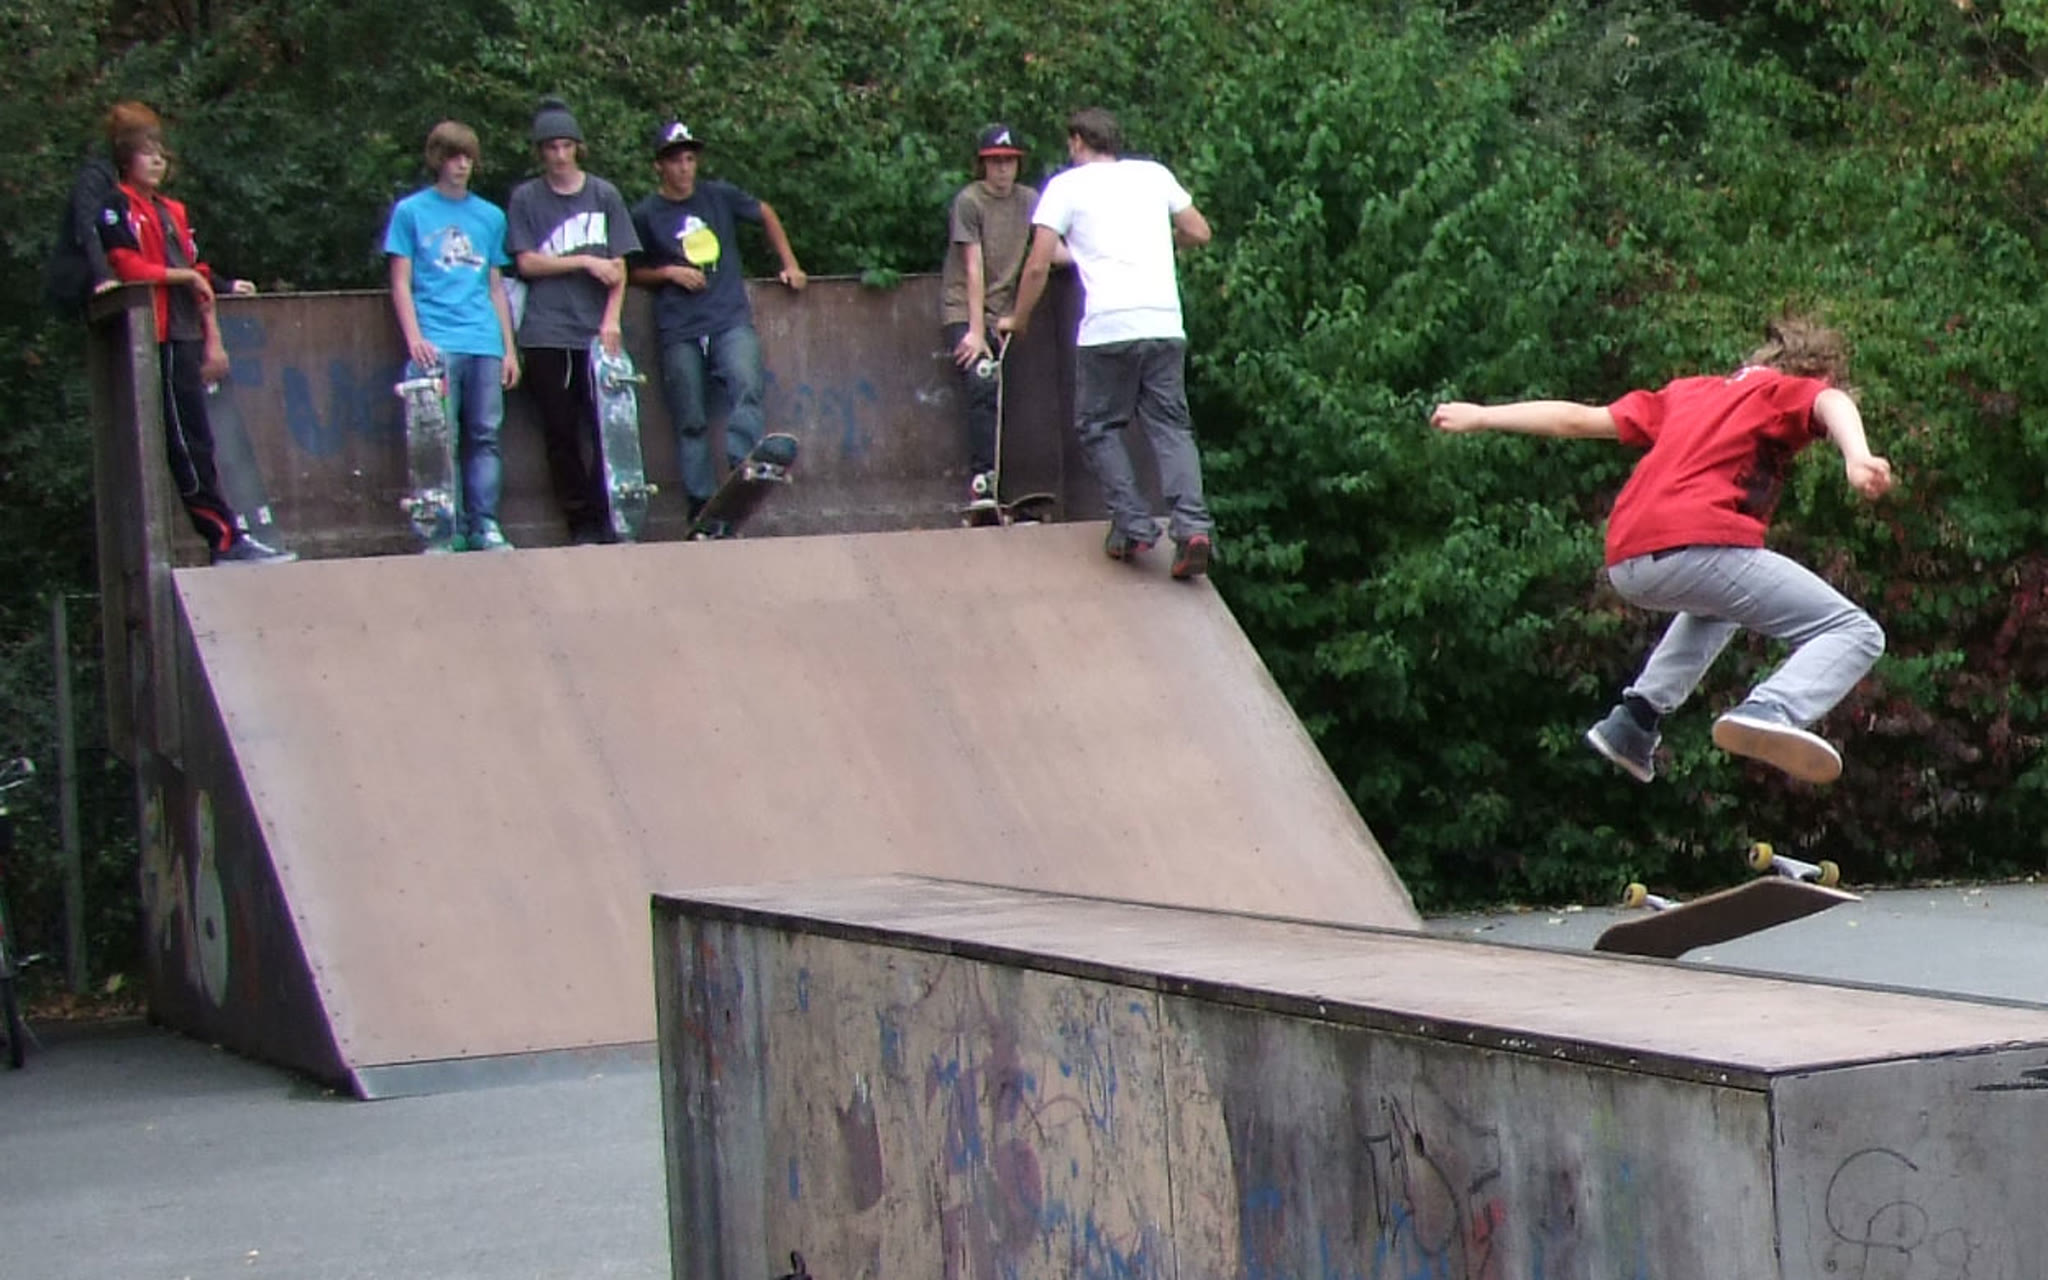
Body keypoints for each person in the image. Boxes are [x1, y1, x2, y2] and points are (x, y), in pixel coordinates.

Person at [1429, 316, 1893, 785]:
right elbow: (1829, 401)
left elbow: (1577, 419)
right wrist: (1856, 456)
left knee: (1724, 606)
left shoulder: (1687, 394)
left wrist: (1483, 415)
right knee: (1854, 631)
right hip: (1697, 542)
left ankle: (1635, 720)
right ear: (1812, 372)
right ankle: (1771, 709)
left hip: (1629, 562)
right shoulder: (1778, 392)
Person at [1001, 107, 1216, 579]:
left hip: (1109, 328)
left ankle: (1133, 524)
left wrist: (1019, 318)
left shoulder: (1066, 187)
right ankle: (1193, 528)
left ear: (1078, 142)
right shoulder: (1153, 176)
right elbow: (1199, 231)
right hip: (1163, 324)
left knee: (1098, 426)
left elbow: (1037, 265)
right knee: (1171, 428)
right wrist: (1160, 241)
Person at [96, 119, 294, 565]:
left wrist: (222, 286)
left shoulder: (173, 210)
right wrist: (186, 277)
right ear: (127, 160)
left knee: (199, 437)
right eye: (148, 153)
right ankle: (222, 537)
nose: (157, 161)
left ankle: (229, 535)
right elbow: (129, 268)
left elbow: (193, 265)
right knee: (184, 441)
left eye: (161, 155)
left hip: (188, 330)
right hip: (155, 334)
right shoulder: (117, 205)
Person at [628, 119, 807, 535]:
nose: (684, 168)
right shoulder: (646, 215)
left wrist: (790, 263)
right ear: (659, 166)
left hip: (727, 316)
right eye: (676, 161)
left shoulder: (718, 197)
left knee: (746, 382)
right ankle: (700, 504)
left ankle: (744, 461)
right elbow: (631, 272)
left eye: (690, 159)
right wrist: (668, 273)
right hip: (678, 326)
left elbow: (764, 212)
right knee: (690, 417)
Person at [506, 96, 641, 544]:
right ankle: (579, 520)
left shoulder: (604, 194)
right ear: (541, 152)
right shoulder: (527, 198)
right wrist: (583, 260)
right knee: (560, 430)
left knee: (607, 428)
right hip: (546, 331)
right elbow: (526, 262)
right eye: (551, 148)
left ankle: (610, 516)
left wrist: (612, 319)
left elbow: (620, 266)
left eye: (566, 146)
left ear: (578, 147)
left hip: (596, 330)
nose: (560, 156)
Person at [384, 119, 522, 551]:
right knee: (439, 439)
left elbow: (496, 286)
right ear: (438, 160)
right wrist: (414, 338)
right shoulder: (411, 212)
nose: (462, 165)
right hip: (437, 339)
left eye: (468, 158)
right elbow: (401, 281)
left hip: (483, 339)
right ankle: (445, 526)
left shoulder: (490, 216)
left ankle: (484, 523)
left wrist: (508, 349)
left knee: (485, 435)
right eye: (453, 157)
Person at [940, 123, 1039, 505]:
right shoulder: (970, 201)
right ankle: (981, 482)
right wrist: (976, 330)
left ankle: (1005, 486)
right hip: (965, 309)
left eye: (1008, 162)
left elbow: (1050, 250)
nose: (1002, 169)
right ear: (983, 164)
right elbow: (973, 266)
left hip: (1003, 313)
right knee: (982, 378)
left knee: (1009, 396)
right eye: (995, 162)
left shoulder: (1029, 200)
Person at [47, 102, 162, 316]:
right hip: (83, 280)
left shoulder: (133, 184)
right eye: (145, 148)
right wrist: (103, 276)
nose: (156, 159)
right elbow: (87, 229)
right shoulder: (96, 178)